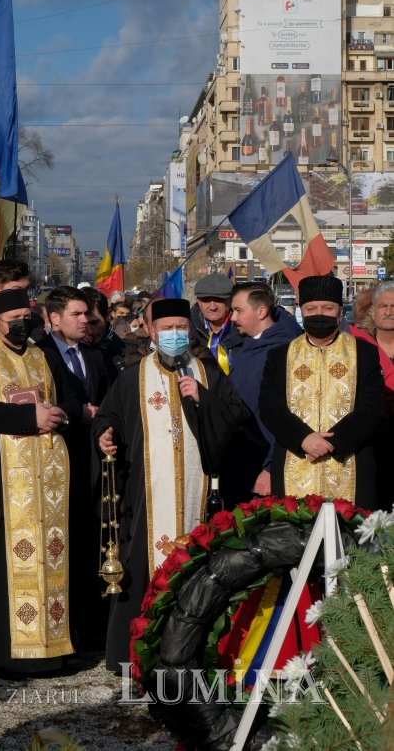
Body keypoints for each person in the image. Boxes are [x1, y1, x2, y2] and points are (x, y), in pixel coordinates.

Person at [93, 298, 249, 672]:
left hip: (201, 496)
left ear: (191, 329)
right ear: (150, 332)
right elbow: (108, 417)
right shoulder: (132, 376)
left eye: (181, 327)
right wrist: (103, 436)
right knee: (144, 562)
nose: (175, 335)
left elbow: (238, 419)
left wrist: (205, 399)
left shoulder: (208, 372)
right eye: (167, 328)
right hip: (148, 495)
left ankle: (192, 648)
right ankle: (133, 651)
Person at [0, 288, 81, 677]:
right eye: (14, 317)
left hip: (46, 487)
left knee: (49, 567)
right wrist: (30, 417)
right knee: (2, 573)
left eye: (27, 315)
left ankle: (51, 650)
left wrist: (60, 414)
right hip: (1, 486)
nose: (22, 323)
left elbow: (75, 399)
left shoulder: (43, 355)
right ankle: (6, 657)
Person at [259, 275, 384, 508]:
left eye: (327, 308)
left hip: (350, 459)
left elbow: (373, 405)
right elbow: (270, 406)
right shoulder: (280, 355)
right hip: (294, 459)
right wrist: (303, 438)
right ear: (301, 310)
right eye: (311, 308)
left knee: (350, 541)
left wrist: (333, 442)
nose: (319, 313)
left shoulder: (363, 352)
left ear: (339, 312)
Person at [40, 286, 109, 649]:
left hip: (90, 462)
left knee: (86, 543)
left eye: (87, 315)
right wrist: (76, 412)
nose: (86, 321)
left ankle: (85, 625)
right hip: (51, 460)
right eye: (77, 315)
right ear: (54, 319)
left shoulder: (94, 355)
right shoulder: (39, 353)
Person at [218, 282, 302, 508]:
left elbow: (287, 413)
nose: (232, 318)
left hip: (264, 468)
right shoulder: (246, 346)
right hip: (242, 460)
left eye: (238, 310)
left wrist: (271, 467)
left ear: (261, 311)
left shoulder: (283, 351)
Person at [350, 282, 394, 510]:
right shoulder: (355, 346)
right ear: (372, 311)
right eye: (383, 305)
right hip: (368, 445)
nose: (389, 311)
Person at [191, 272, 243, 373]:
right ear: (198, 302)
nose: (212, 307)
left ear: (230, 300)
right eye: (206, 300)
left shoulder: (246, 329)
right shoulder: (189, 332)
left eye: (219, 300)